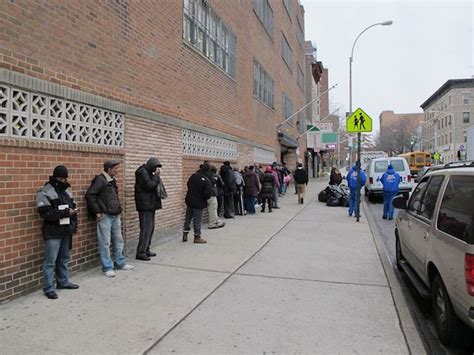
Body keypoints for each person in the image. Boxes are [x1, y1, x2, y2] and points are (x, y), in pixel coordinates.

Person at [36, 165, 79, 299]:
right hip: (52, 231)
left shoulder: (67, 191)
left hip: (65, 230)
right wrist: (65, 213)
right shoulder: (44, 191)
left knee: (64, 258)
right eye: (61, 178)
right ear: (55, 177)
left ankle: (63, 281)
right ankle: (48, 288)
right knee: (50, 261)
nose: (64, 180)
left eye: (65, 178)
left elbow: (74, 207)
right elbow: (46, 213)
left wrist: (73, 224)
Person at [85, 160, 134, 277]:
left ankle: (120, 262)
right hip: (105, 216)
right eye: (115, 169)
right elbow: (89, 195)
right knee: (105, 242)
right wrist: (97, 212)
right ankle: (107, 267)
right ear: (109, 169)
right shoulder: (100, 180)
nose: (117, 171)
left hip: (115, 214)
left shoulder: (111, 180)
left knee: (118, 240)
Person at [134, 157, 163, 261]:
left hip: (150, 204)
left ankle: (146, 249)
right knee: (146, 229)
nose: (157, 169)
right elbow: (149, 186)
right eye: (156, 167)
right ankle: (141, 252)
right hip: (145, 205)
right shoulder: (142, 172)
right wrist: (156, 177)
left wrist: (155, 176)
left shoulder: (149, 172)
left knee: (150, 228)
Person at [182, 161, 213, 244]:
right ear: (208, 170)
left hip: (190, 201)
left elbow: (188, 184)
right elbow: (208, 194)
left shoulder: (193, 176)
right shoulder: (206, 180)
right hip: (199, 203)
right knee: (197, 220)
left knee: (188, 218)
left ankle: (185, 233)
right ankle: (197, 236)